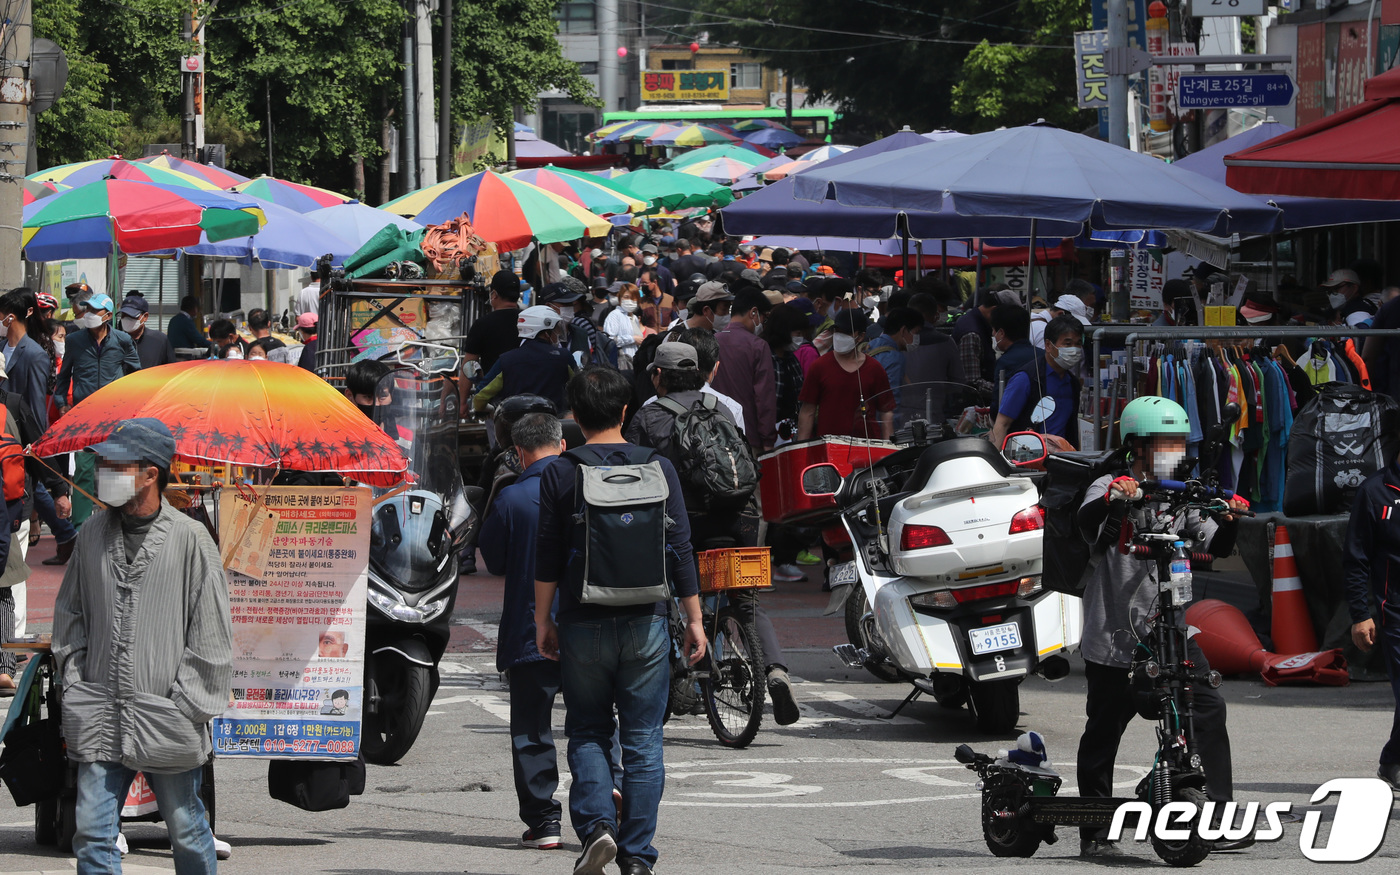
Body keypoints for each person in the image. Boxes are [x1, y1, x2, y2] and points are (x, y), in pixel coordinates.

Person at [534, 368, 705, 875]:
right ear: (625, 412)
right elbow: (680, 549)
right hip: (647, 618)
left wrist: (543, 620)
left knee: (587, 728)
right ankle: (637, 857)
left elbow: (546, 556)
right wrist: (694, 619)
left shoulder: (561, 471)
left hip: (583, 620)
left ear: (575, 416)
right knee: (644, 739)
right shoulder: (657, 466)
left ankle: (598, 828)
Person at [51, 418, 233, 873]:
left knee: (187, 831)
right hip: (101, 711)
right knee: (92, 833)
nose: (103, 473)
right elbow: (69, 616)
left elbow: (212, 635)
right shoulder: (91, 533)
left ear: (151, 473)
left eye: (116, 465)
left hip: (166, 715)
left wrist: (184, 705)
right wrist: (75, 686)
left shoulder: (191, 540)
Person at [1074, 397, 1249, 857]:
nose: (1175, 450)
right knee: (1105, 729)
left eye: (1179, 442)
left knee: (1207, 707)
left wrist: (1227, 518)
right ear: (1137, 445)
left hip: (1171, 632)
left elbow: (1215, 540)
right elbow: (1087, 524)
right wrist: (1117, 501)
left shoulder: (1181, 494)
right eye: (1165, 443)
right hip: (1114, 632)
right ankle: (1094, 833)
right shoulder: (1109, 485)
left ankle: (1216, 816)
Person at [480, 412, 569, 851]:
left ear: (518, 452)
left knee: (532, 727)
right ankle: (605, 804)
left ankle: (544, 821)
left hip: (529, 628)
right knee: (595, 722)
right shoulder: (589, 487)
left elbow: (493, 559)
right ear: (562, 445)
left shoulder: (512, 498)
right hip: (589, 626)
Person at [55, 293, 142, 530]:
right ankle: (80, 528)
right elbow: (63, 377)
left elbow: (136, 374)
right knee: (83, 468)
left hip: (115, 413)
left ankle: (114, 522)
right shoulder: (75, 340)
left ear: (108, 316)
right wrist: (62, 402)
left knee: (114, 467)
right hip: (84, 413)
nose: (90, 314)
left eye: (95, 311)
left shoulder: (123, 340)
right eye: (89, 310)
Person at [1342, 442, 1400, 790]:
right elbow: (1355, 558)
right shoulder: (1374, 492)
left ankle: (1393, 759)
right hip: (1393, 613)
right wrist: (1360, 614)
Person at [797, 309, 895, 442]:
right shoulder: (819, 366)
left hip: (867, 449)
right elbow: (807, 411)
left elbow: (886, 412)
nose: (839, 336)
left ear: (860, 336)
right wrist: (802, 450)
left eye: (846, 332)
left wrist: (888, 449)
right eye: (837, 331)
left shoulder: (875, 369)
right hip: (828, 447)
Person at [988, 315, 1083, 449]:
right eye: (1067, 344)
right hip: (1028, 459)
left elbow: (1071, 427)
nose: (1074, 349)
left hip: (1062, 460)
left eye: (1078, 343)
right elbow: (1002, 423)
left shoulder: (1072, 383)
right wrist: (996, 462)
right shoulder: (1026, 378)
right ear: (1049, 345)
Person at [472, 306, 577, 415]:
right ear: (546, 332)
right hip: (554, 424)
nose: (558, 334)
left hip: (516, 427)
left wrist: (488, 409)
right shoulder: (564, 356)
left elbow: (480, 396)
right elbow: (580, 386)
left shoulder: (506, 360)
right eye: (556, 330)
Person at [711, 287, 777, 452]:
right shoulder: (758, 346)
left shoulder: (711, 341)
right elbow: (764, 397)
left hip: (713, 435)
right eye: (764, 317)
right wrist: (768, 439)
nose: (763, 323)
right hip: (748, 437)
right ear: (753, 312)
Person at [899, 292, 966, 428]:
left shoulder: (895, 340)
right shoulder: (946, 342)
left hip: (898, 418)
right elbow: (958, 383)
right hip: (935, 417)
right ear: (934, 315)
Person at [864, 306, 924, 408]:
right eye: (916, 332)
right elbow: (890, 401)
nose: (917, 338)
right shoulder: (895, 358)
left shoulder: (872, 344)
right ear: (903, 330)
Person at [119, 292, 175, 370]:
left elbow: (171, 368)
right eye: (124, 315)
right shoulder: (116, 340)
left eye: (132, 316)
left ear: (145, 317)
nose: (127, 319)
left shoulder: (159, 340)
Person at [989, 304, 1035, 400]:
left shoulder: (1005, 362)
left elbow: (999, 401)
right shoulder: (1043, 355)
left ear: (1001, 333)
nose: (993, 334)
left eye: (993, 330)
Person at [603, 283, 646, 370]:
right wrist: (632, 339)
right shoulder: (614, 315)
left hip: (634, 363)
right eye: (626, 297)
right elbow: (609, 340)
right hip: (621, 364)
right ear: (620, 298)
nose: (630, 300)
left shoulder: (634, 318)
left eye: (633, 298)